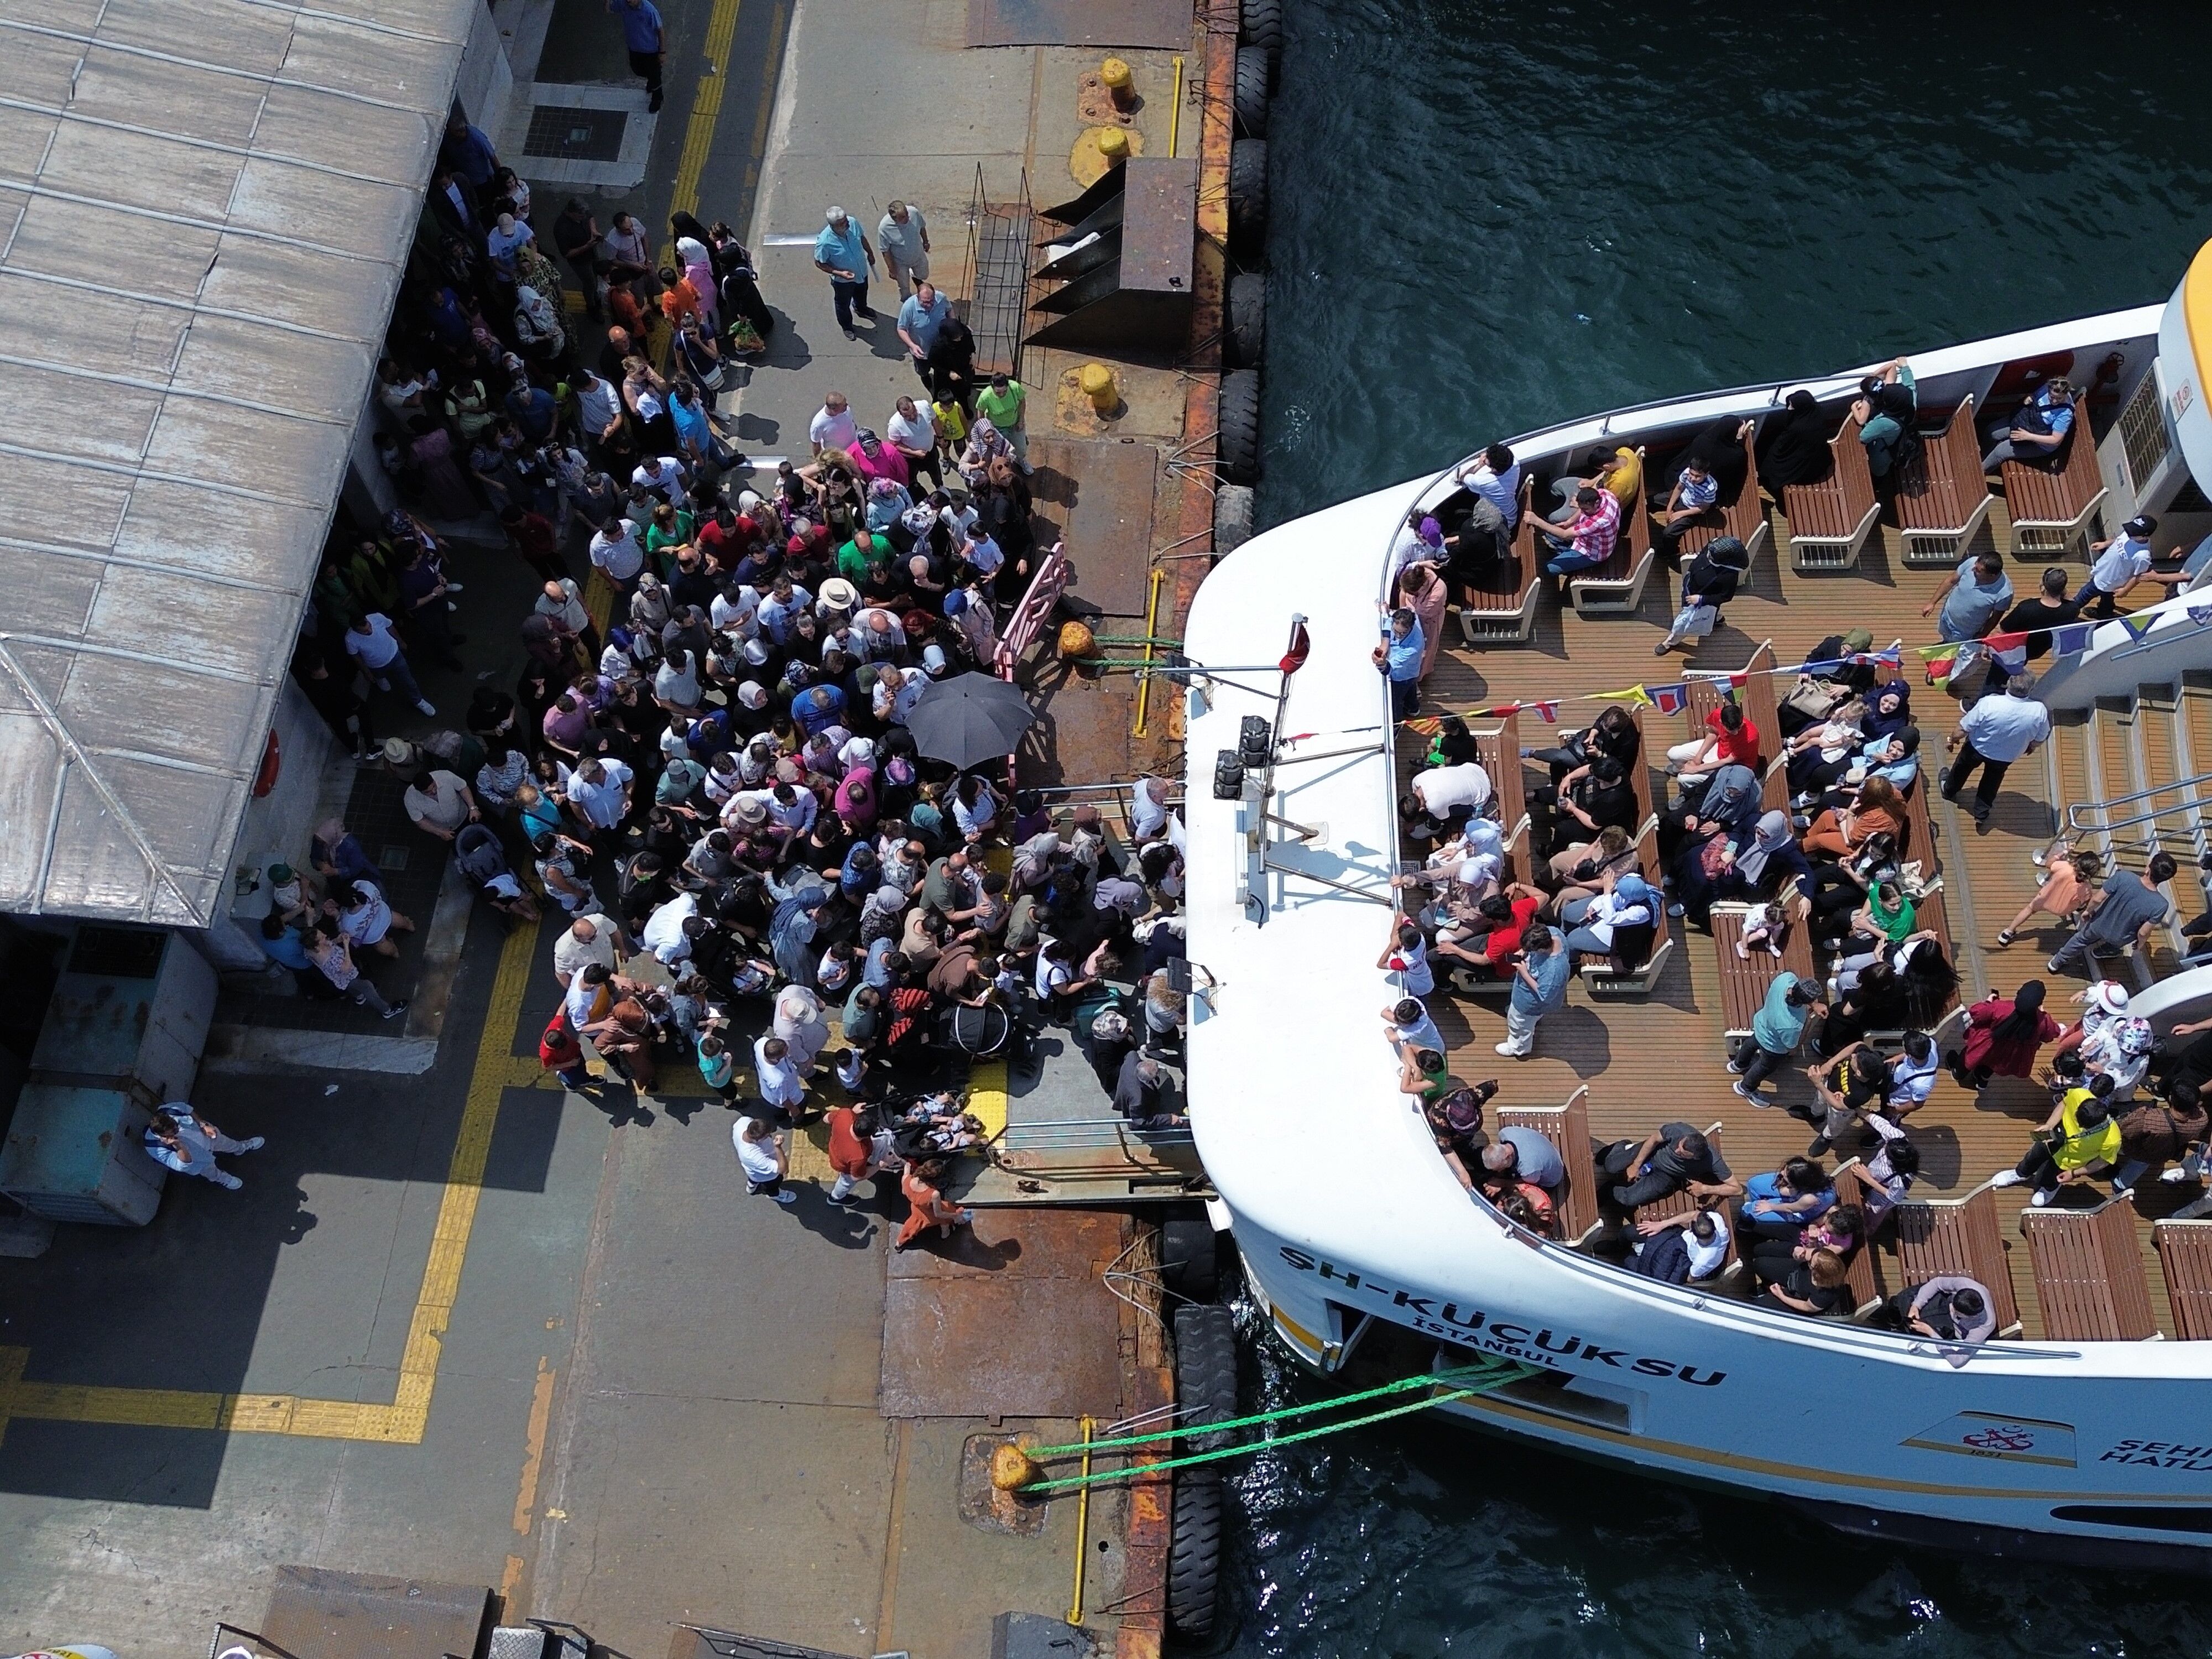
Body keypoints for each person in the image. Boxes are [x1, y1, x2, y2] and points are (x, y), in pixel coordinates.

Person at [1990, 1074, 2121, 1206]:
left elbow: (2103, 1161)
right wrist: (2049, 1125)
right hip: (2053, 1138)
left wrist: (2073, 1173)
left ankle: (2049, 1188)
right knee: (2032, 1157)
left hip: (2069, 1160)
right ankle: (2020, 1174)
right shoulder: (2079, 1094)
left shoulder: (2112, 1139)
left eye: (2083, 1125)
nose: (2078, 1125)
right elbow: (2064, 1103)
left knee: (2047, 1177)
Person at [1940, 671, 2049, 826]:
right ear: (2031, 689)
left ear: (2008, 684)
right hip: (2005, 757)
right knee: (1992, 782)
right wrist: (2032, 747)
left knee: (1962, 768)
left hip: (1977, 748)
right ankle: (1981, 813)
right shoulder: (2039, 711)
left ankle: (1949, 790)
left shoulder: (1989, 703)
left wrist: (1952, 740)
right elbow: (2041, 736)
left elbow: (1964, 728)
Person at [2047, 850, 2176, 977]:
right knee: (2115, 945)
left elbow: (2097, 899)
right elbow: (2143, 933)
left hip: (2098, 924)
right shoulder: (2161, 905)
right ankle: (2101, 952)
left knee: (2080, 940)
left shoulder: (2124, 877)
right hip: (2119, 937)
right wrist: (2140, 944)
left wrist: (2087, 911)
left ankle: (2057, 962)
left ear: (2148, 869)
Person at [1596, 1123, 1740, 1217]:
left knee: (1629, 1199)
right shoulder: (1679, 1130)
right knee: (1610, 1166)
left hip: (1667, 1176)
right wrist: (1636, 1165)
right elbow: (1653, 1140)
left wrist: (1705, 1189)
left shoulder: (1713, 1161)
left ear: (1695, 1158)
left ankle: (1610, 1189)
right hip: (1652, 1152)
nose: (1677, 1150)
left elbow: (1737, 1189)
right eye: (1680, 1145)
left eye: (1682, 1153)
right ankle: (1622, 1146)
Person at [1731, 972, 1822, 1102]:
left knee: (1750, 1044)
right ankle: (1745, 1088)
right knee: (1764, 1067)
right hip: (1772, 1047)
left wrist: (1813, 1004)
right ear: (1808, 1001)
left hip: (1761, 1024)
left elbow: (1796, 991)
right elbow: (1792, 1047)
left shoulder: (1785, 979)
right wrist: (1808, 1022)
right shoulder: (1793, 1024)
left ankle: (1737, 1065)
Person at [2079, 515, 2188, 618]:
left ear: (2145, 536)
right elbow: (2119, 539)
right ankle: (2105, 613)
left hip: (2108, 580)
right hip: (2103, 571)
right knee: (2107, 596)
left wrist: (2126, 590)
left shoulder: (2142, 556)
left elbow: (2139, 576)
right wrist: (2105, 544)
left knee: (2082, 596)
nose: (2129, 532)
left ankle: (2070, 615)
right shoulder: (2131, 533)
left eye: (2134, 532)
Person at [141, 1101, 264, 1191]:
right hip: (199, 1160)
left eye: (175, 1125)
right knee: (212, 1172)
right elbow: (182, 1166)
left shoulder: (169, 1110)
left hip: (209, 1138)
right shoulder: (155, 1147)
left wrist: (203, 1124)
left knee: (229, 1144)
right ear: (163, 1135)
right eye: (173, 1132)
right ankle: (224, 1179)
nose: (177, 1129)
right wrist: (178, 1145)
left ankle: (241, 1148)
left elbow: (187, 1109)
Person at [1997, 846, 2099, 948]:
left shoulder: (2065, 867)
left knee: (2030, 909)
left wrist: (2064, 852)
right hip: (2062, 910)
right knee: (2078, 904)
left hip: (2045, 898)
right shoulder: (2088, 889)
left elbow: (2048, 863)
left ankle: (2008, 933)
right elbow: (2083, 902)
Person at [344, 611, 437, 716]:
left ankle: (418, 701)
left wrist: (400, 641)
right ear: (356, 630)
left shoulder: (377, 618)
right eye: (365, 632)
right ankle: (381, 679)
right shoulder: (350, 639)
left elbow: (390, 627)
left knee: (409, 681)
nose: (370, 631)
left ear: (367, 620)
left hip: (395, 655)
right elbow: (356, 657)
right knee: (379, 675)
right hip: (375, 665)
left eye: (369, 627)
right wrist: (367, 672)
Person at [1496, 925, 1568, 1059]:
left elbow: (1545, 995)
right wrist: (1524, 951)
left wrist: (1524, 973)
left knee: (1519, 1025)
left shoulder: (1554, 970)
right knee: (1530, 1020)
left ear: (1541, 950)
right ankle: (1535, 1020)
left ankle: (1519, 1048)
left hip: (1530, 1004)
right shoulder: (1553, 932)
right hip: (1527, 999)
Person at [1981, 377, 2078, 471]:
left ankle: (1982, 470)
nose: (2055, 401)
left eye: (2059, 398)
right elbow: (2034, 396)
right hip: (2026, 422)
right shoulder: (2046, 387)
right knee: (1992, 432)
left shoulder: (2065, 414)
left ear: (2066, 394)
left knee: (2000, 452)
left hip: (2039, 444)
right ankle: (1984, 457)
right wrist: (2029, 398)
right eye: (2052, 397)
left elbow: (2055, 439)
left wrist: (2028, 436)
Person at [1924, 550, 2013, 644]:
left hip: (1965, 631)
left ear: (1992, 575)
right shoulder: (1971, 563)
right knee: (1944, 635)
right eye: (1975, 566)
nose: (1973, 569)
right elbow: (1951, 581)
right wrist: (1932, 603)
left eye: (1978, 570)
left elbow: (1995, 618)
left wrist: (1982, 635)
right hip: (1946, 617)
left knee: (1955, 646)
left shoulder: (2005, 594)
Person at [1879, 1276, 1997, 1345]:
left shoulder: (1983, 1327)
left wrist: (1931, 1332)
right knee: (1905, 1299)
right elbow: (1937, 1283)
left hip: (1950, 1326)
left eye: (1956, 1311)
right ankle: (1887, 1314)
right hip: (1944, 1300)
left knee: (1919, 1327)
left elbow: (1959, 1359)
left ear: (1970, 1317)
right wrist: (1916, 1305)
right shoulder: (1966, 1285)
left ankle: (1893, 1337)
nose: (1952, 1309)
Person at [814, 206, 876, 336]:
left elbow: (862, 237)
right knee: (843, 304)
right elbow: (819, 263)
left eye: (846, 219)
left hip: (861, 272)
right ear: (834, 226)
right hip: (843, 281)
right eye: (843, 222)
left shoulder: (853, 222)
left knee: (862, 292)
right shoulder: (825, 242)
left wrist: (870, 253)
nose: (847, 223)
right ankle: (847, 326)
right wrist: (840, 273)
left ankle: (861, 308)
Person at [1538, 484, 1620, 577]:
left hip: (1592, 553)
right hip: (1588, 539)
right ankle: (1566, 555)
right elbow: (1582, 512)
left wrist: (1536, 521)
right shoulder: (1605, 494)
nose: (1583, 512)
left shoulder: (1599, 522)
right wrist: (1569, 522)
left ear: (1597, 503)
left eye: (1586, 509)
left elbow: (1564, 535)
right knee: (1551, 535)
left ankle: (1569, 560)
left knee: (1549, 568)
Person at [1630, 1208, 1729, 1285]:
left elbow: (1690, 1279)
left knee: (1628, 1261)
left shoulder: (1703, 1261)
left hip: (1682, 1255)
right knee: (1628, 1233)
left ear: (1691, 1231)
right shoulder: (1716, 1220)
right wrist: (1662, 1225)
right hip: (1675, 1238)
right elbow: (1693, 1215)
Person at [895, 1158, 974, 1250]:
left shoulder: (906, 1178)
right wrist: (955, 1216)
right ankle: (945, 1233)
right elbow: (938, 1214)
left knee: (910, 1226)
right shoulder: (934, 1194)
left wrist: (906, 1172)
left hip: (916, 1209)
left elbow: (904, 1192)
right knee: (948, 1211)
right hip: (930, 1215)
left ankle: (899, 1243)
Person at [610, 0, 666, 111]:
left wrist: (662, 52)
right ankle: (653, 77)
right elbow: (609, 8)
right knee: (637, 70)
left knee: (654, 77)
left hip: (650, 52)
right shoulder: (624, 5)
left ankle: (658, 98)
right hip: (634, 49)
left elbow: (660, 31)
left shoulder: (649, 10)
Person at [1373, 604, 1423, 721]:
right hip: (1412, 672)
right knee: (1410, 690)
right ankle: (1413, 709)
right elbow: (1388, 623)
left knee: (1395, 702)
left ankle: (1396, 724)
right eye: (1395, 631)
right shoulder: (1403, 617)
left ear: (1411, 627)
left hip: (1401, 676)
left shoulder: (1415, 647)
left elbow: (1389, 668)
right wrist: (1385, 644)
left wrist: (1381, 663)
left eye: (1403, 633)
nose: (1398, 636)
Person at [734, 1114, 796, 1204]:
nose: (770, 1136)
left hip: (751, 1170)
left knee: (754, 1176)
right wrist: (778, 1147)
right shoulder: (754, 1156)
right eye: (767, 1136)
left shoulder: (743, 1122)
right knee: (772, 1187)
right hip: (768, 1177)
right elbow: (783, 1170)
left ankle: (751, 1186)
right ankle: (775, 1195)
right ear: (757, 1140)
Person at [895, 280, 950, 384]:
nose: (929, 305)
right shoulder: (908, 307)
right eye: (925, 302)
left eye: (931, 301)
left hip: (941, 348)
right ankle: (925, 377)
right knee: (923, 371)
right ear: (918, 297)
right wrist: (912, 346)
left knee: (941, 370)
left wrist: (953, 324)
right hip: (922, 352)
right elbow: (901, 329)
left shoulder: (941, 298)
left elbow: (949, 310)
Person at [974, 373, 1030, 469]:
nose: (1002, 394)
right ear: (992, 388)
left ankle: (1020, 460)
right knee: (1001, 452)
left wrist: (1021, 420)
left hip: (1015, 423)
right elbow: (981, 412)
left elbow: (1022, 401)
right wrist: (985, 431)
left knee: (1021, 450)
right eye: (998, 393)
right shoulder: (985, 397)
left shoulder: (1015, 387)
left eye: (1005, 391)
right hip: (998, 428)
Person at [878, 200, 931, 299]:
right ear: (894, 219)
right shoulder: (884, 228)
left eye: (907, 214)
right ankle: (906, 301)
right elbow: (885, 250)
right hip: (900, 263)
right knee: (904, 286)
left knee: (924, 275)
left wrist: (926, 242)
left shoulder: (914, 213)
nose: (907, 218)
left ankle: (913, 275)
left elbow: (922, 227)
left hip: (918, 255)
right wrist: (891, 269)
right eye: (902, 217)